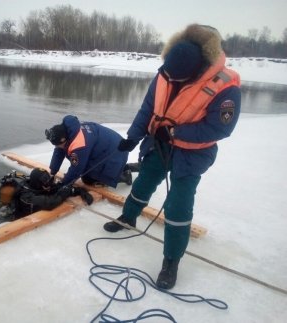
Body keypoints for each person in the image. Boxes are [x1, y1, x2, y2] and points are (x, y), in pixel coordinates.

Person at [103, 24, 241, 289]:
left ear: (198, 70)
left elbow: (220, 128)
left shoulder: (226, 86)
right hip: (159, 143)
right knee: (144, 181)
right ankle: (129, 216)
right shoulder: (166, 73)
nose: (172, 81)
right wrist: (132, 136)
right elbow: (148, 108)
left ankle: (171, 261)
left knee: (178, 203)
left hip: (193, 154)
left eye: (179, 79)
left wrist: (176, 133)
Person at [45, 115, 132, 188]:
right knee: (84, 166)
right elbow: (59, 151)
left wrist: (63, 184)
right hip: (107, 146)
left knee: (88, 179)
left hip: (116, 151)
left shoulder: (79, 145)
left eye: (57, 144)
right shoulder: (68, 131)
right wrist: (52, 172)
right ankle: (122, 168)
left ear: (63, 140)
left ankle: (123, 177)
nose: (57, 147)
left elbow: (76, 169)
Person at [0, 168, 93, 220]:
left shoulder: (39, 185)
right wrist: (65, 193)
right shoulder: (26, 197)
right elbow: (50, 203)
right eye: (46, 184)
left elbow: (55, 188)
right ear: (38, 184)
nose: (49, 185)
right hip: (18, 219)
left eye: (50, 181)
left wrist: (79, 191)